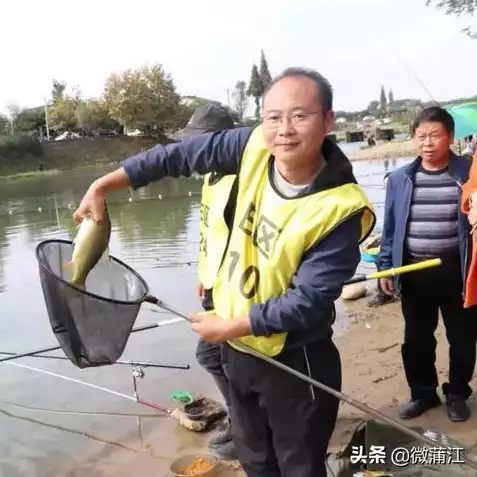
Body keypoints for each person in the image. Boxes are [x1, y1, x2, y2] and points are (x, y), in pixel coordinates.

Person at [73, 67, 376, 477]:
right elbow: (174, 156)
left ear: (327, 121)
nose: (284, 129)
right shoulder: (251, 146)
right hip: (239, 351)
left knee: (300, 466)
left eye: (300, 116)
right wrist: (103, 185)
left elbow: (307, 302)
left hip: (296, 358)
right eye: (273, 117)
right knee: (255, 460)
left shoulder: (341, 208)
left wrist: (231, 326)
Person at [379, 106, 476, 422]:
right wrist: (385, 266)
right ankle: (423, 394)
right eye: (421, 136)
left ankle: (457, 393)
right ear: (413, 139)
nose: (428, 142)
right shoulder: (400, 178)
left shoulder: (470, 173)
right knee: (417, 338)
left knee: (462, 337)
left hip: (458, 270)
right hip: (415, 270)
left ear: (450, 137)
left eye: (436, 135)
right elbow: (390, 227)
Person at [171, 102, 238, 459]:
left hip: (236, 292)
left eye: (198, 142)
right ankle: (242, 420)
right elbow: (212, 232)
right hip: (214, 286)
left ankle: (248, 427)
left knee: (219, 356)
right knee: (216, 356)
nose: (192, 150)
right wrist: (204, 274)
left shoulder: (242, 178)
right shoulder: (212, 177)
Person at [361, 172, 395, 308]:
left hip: (395, 241)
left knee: (383, 264)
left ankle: (385, 295)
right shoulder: (389, 200)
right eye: (386, 185)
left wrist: (375, 238)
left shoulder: (401, 199)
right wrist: (369, 236)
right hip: (385, 238)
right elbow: (383, 224)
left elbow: (393, 226)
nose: (388, 188)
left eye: (390, 185)